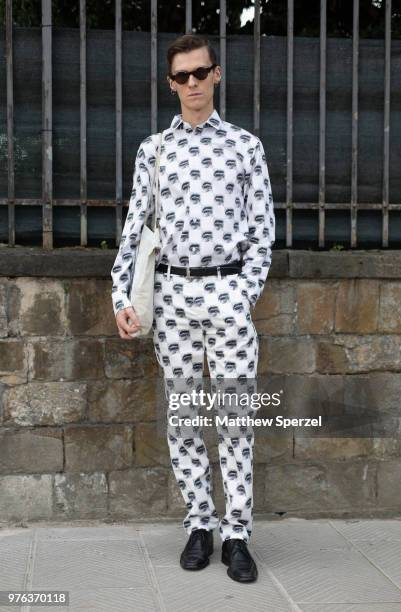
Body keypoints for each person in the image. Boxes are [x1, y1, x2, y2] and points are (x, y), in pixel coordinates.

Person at [111, 33, 275, 583]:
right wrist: (120, 294)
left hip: (228, 296)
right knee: (184, 419)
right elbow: (136, 228)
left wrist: (244, 293)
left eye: (200, 73)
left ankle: (237, 535)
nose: (192, 84)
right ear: (170, 83)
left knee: (234, 420)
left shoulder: (245, 147)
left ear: (216, 75)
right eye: (181, 77)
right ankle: (199, 525)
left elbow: (262, 232)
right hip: (173, 298)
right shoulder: (153, 150)